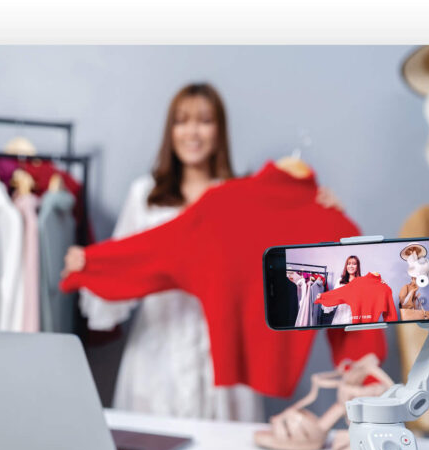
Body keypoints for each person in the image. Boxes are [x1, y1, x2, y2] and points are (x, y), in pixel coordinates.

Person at [64, 82, 342, 421]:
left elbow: (282, 267)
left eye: (204, 121)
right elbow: (128, 258)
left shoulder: (243, 199)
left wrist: (320, 214)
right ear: (171, 130)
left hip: (222, 356)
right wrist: (94, 266)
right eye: (182, 121)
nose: (192, 132)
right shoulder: (144, 195)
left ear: (219, 130)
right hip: (156, 358)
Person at [320, 255, 360, 325]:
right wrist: (323, 297)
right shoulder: (340, 281)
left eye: (354, 264)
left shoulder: (362, 282)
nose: (351, 266)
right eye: (349, 264)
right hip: (341, 316)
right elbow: (334, 297)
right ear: (346, 266)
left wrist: (381, 283)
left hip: (356, 316)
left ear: (357, 266)